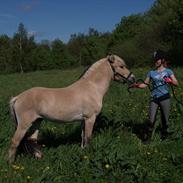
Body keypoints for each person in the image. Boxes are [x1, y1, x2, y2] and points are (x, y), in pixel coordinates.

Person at [133, 50, 179, 140]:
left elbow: (176, 83)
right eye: (155, 60)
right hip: (154, 98)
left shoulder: (168, 71)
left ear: (162, 60)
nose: (155, 61)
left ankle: (164, 136)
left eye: (157, 59)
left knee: (165, 120)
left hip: (165, 98)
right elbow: (145, 85)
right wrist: (137, 85)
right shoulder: (151, 73)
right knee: (151, 120)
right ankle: (147, 138)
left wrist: (170, 81)